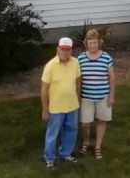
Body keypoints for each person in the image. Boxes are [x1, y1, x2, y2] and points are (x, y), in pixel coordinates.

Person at [41, 37, 82, 169]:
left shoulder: (75, 63)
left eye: (68, 50)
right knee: (52, 133)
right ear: (58, 49)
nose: (65, 52)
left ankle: (65, 153)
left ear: (71, 50)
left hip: (72, 105)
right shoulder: (50, 65)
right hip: (56, 108)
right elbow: (44, 90)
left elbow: (77, 82)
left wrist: (78, 99)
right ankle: (49, 158)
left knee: (71, 130)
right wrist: (45, 109)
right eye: (63, 49)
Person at [76, 29, 116, 159]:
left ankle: (98, 146)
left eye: (95, 43)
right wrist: (78, 97)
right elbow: (79, 79)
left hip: (103, 96)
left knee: (101, 120)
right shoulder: (81, 58)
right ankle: (86, 141)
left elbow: (112, 77)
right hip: (86, 97)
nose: (92, 45)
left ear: (99, 43)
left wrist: (111, 96)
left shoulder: (106, 57)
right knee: (84, 123)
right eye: (90, 43)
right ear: (86, 43)